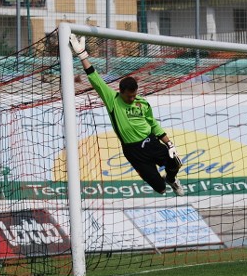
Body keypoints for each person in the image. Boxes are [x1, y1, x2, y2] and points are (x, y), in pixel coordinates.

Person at [68, 34, 185, 196]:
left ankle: (172, 179)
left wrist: (169, 143)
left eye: (134, 95)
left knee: (176, 163)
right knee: (161, 189)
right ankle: (161, 181)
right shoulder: (113, 100)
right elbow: (95, 79)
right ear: (121, 92)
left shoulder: (142, 103)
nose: (132, 98)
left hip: (151, 141)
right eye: (129, 96)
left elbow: (153, 124)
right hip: (133, 151)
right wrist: (82, 55)